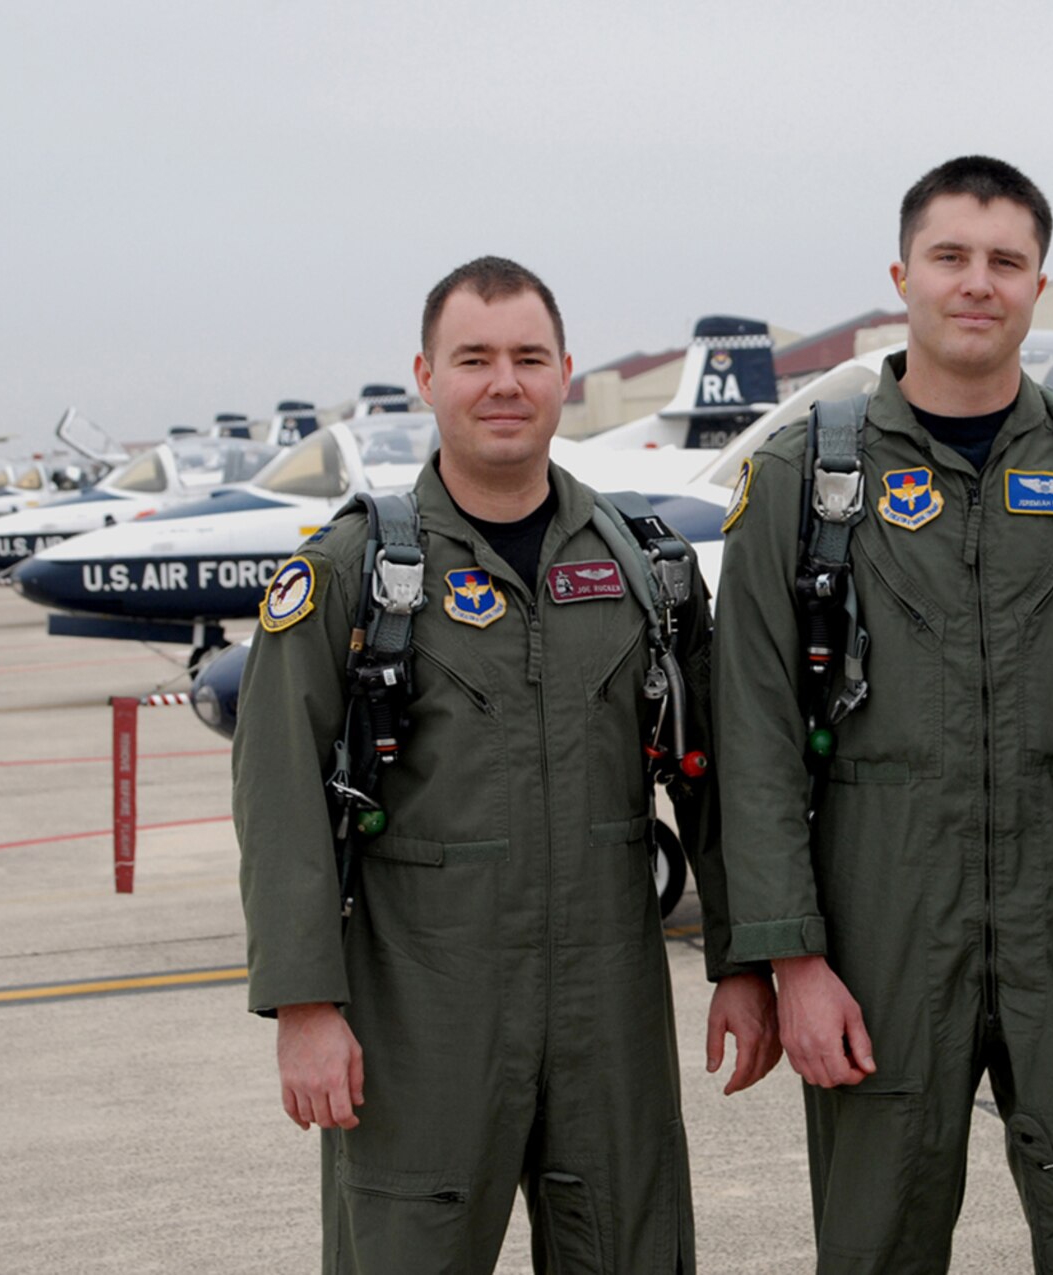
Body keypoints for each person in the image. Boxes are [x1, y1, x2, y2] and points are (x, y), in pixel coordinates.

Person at [714, 156, 1053, 1272]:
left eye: (1003, 261)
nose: (976, 283)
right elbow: (753, 728)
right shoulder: (803, 477)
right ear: (900, 276)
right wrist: (790, 960)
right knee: (876, 1236)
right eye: (950, 257)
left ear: (1036, 284)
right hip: (876, 918)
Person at [234, 256, 779, 1274]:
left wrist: (744, 961)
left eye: (528, 358)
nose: (503, 382)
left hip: (608, 1007)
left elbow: (712, 776)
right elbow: (278, 802)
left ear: (564, 372)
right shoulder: (348, 576)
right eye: (473, 358)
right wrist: (304, 1008)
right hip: (421, 1011)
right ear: (425, 375)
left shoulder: (641, 570)